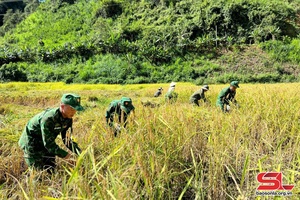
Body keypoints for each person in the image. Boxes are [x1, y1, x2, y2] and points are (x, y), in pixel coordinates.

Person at [18, 93, 84, 174]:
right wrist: (66, 156)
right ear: (62, 106)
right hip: (32, 143)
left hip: (47, 142)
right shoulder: (49, 119)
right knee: (38, 173)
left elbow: (67, 140)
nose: (74, 112)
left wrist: (80, 153)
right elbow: (49, 144)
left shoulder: (68, 118)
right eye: (72, 109)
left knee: (51, 170)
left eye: (76, 109)